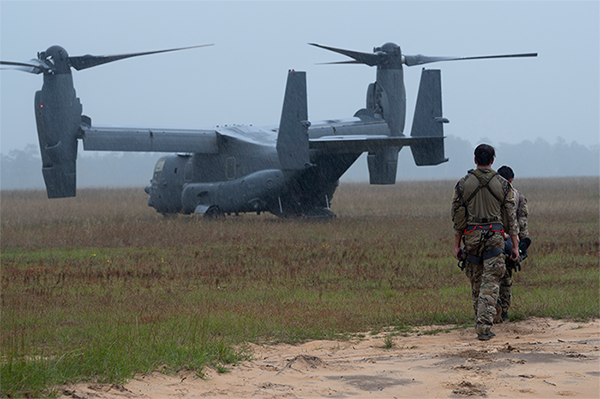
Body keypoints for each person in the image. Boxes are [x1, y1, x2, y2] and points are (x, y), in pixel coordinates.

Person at [452, 144, 519, 340]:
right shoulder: (504, 185)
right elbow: (510, 219)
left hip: (471, 237)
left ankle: (479, 320)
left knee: (476, 281)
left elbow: (458, 218)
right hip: (494, 238)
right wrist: (515, 246)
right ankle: (483, 328)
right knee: (490, 283)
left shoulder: (463, 184)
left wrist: (457, 245)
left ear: (475, 160)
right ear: (492, 161)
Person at [496, 165, 530, 323]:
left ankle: (489, 308)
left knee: (487, 277)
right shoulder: (518, 196)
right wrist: (521, 246)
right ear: (511, 180)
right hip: (510, 243)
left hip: (489, 240)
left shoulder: (489, 195)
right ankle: (503, 310)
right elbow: (521, 224)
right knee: (506, 278)